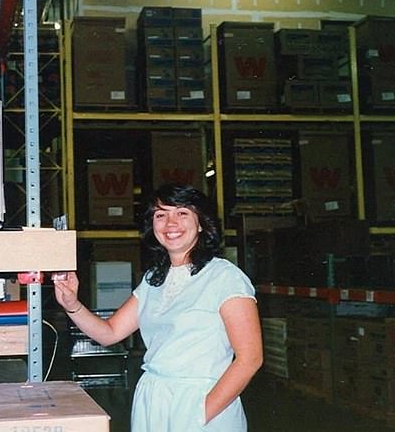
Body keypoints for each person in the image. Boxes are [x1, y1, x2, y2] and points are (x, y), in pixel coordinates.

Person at [54, 184, 263, 431]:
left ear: (201, 224)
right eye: (160, 215)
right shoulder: (154, 279)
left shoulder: (225, 278)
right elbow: (109, 333)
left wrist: (200, 414)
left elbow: (250, 359)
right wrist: (72, 304)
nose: (170, 223)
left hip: (202, 401)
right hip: (153, 399)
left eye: (182, 213)